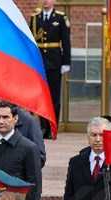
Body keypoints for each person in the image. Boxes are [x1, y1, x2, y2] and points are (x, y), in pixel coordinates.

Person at [29, 0, 71, 139]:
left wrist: (66, 62)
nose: (46, 1)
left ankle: (53, 127)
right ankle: (43, 127)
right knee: (42, 95)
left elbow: (66, 41)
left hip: (54, 62)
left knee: (54, 96)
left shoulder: (60, 17)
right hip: (40, 61)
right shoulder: (35, 18)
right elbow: (32, 41)